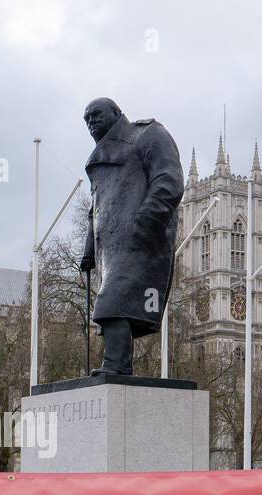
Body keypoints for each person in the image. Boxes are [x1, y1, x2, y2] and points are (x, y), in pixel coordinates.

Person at [79, 97, 184, 376]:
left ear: (116, 112)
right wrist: (89, 249)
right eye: (86, 119)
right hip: (110, 244)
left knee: (114, 300)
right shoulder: (101, 157)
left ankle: (116, 365)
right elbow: (97, 206)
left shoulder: (148, 134)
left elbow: (169, 181)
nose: (91, 122)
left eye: (96, 115)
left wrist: (147, 221)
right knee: (115, 303)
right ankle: (117, 363)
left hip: (142, 239)